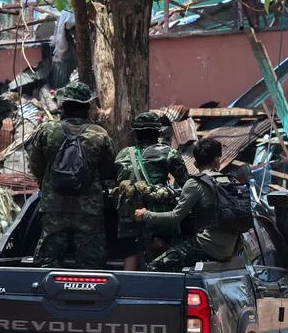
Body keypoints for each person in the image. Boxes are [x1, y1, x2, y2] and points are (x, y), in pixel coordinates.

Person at [26, 81, 116, 269]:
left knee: (48, 260)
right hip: (89, 209)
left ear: (63, 105)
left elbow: (35, 165)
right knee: (91, 263)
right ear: (87, 107)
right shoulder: (99, 135)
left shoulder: (47, 130)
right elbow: (109, 172)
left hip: (54, 205)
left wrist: (47, 183)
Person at [136, 137, 239, 271]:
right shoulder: (230, 182)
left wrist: (146, 215)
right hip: (231, 248)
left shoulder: (195, 183)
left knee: (153, 268)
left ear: (195, 164)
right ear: (217, 160)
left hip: (206, 246)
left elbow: (175, 217)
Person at [113, 111, 189, 270]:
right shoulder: (168, 152)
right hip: (156, 216)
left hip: (128, 217)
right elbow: (185, 184)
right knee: (162, 256)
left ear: (136, 133)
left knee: (130, 253)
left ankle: (129, 289)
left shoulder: (122, 154)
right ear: (157, 132)